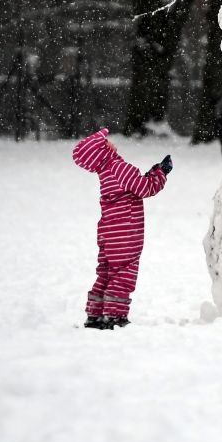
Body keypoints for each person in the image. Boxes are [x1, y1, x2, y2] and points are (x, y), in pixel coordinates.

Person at [72, 128, 172, 329]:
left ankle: (96, 314)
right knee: (123, 273)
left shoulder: (105, 172)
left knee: (107, 272)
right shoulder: (118, 167)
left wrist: (150, 174)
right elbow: (144, 188)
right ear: (102, 151)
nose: (111, 143)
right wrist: (160, 172)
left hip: (109, 233)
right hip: (125, 233)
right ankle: (115, 316)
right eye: (105, 143)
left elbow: (130, 188)